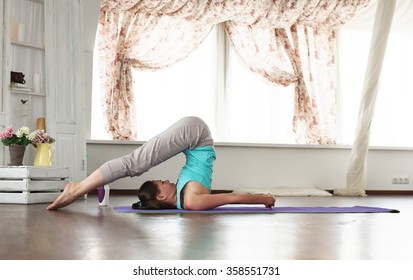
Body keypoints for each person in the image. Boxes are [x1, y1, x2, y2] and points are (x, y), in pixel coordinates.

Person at [47, 116, 276, 210]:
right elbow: (231, 197)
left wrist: (264, 198)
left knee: (134, 165)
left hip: (194, 136)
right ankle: (76, 189)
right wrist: (265, 198)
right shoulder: (191, 201)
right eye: (162, 182)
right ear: (162, 197)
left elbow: (232, 196)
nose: (167, 179)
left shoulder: (187, 199)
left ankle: (76, 189)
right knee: (134, 164)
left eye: (162, 180)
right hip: (195, 136)